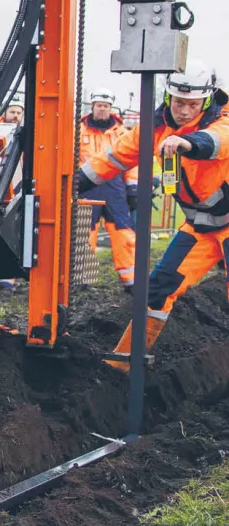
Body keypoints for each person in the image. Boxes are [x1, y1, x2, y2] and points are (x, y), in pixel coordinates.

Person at [78, 60, 229, 369]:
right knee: (158, 288)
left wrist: (187, 141)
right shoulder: (154, 128)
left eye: (193, 104)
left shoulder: (222, 120)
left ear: (207, 101)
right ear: (167, 98)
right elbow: (113, 158)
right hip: (200, 227)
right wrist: (70, 183)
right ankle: (122, 364)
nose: (184, 111)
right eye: (178, 103)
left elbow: (217, 141)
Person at [79, 89, 135, 288]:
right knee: (85, 231)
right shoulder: (78, 130)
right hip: (86, 186)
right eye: (99, 105)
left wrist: (134, 187)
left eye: (106, 106)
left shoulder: (122, 132)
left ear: (111, 108)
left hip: (115, 187)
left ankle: (130, 277)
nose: (102, 109)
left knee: (122, 231)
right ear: (92, 107)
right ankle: (83, 278)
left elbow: (132, 161)